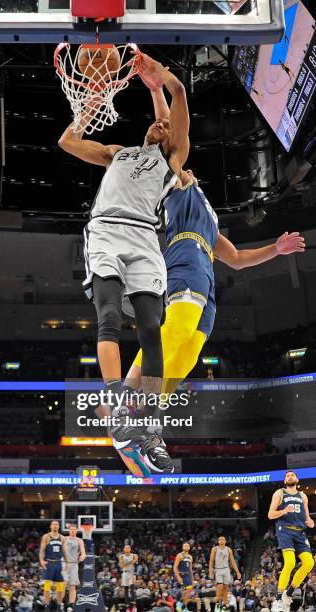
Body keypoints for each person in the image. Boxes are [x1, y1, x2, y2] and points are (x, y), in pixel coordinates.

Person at [122, 54, 306, 473]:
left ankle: (148, 427)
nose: (164, 136)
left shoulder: (203, 207)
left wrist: (274, 251)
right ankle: (131, 405)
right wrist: (159, 89)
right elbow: (172, 120)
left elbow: (237, 259)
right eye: (160, 139)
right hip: (182, 263)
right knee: (178, 332)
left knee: (187, 354)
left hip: (205, 277)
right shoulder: (166, 174)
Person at [58, 51, 190, 472]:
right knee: (109, 317)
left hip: (144, 237)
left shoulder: (171, 159)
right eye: (157, 120)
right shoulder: (118, 151)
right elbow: (68, 143)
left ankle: (151, 428)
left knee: (152, 329)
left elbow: (180, 94)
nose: (161, 124)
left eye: (166, 125)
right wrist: (90, 107)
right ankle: (117, 405)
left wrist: (161, 79)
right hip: (106, 231)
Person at [268, 470, 314, 612]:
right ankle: (278, 598)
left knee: (309, 563)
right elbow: (270, 514)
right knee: (290, 562)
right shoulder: (280, 493)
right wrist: (284, 511)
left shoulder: (303, 496)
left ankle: (288, 593)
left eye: (292, 475)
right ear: (284, 481)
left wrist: (310, 521)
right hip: (285, 530)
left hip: (300, 532)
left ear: (297, 479)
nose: (289, 477)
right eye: (287, 476)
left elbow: (306, 517)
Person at [39, 520, 67, 611]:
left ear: (59, 527)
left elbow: (64, 551)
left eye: (57, 524)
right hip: (49, 562)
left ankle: (59, 606)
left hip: (59, 563)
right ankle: (47, 606)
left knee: (60, 586)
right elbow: (42, 550)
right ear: (51, 526)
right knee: (47, 586)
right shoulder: (46, 537)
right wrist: (41, 561)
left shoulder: (62, 538)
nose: (55, 526)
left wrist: (67, 562)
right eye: (54, 524)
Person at [209, 536, 241, 612]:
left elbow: (232, 561)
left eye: (223, 539)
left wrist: (237, 572)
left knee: (226, 588)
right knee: (220, 586)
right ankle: (218, 603)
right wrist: (210, 570)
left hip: (226, 569)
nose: (222, 540)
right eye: (220, 539)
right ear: (218, 541)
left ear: (225, 541)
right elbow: (211, 560)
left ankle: (225, 605)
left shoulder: (229, 549)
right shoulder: (215, 549)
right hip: (218, 569)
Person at [63, 524, 86, 611]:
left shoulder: (79, 540)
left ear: (76, 531)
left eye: (74, 529)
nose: (72, 531)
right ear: (69, 530)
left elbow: (83, 553)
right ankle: (60, 603)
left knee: (73, 586)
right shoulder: (64, 539)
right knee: (63, 585)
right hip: (64, 564)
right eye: (71, 529)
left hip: (74, 565)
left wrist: (82, 556)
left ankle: (71, 605)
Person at [118, 545, 138, 611]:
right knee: (126, 591)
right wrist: (130, 562)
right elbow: (121, 565)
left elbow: (134, 561)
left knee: (132, 589)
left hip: (132, 572)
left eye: (128, 548)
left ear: (130, 549)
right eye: (125, 548)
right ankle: (127, 607)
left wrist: (125, 562)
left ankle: (134, 606)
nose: (127, 549)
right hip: (124, 573)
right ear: (124, 549)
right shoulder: (121, 556)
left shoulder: (134, 555)